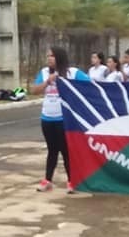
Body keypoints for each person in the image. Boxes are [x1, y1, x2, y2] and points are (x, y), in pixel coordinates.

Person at [31, 46, 89, 193]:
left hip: (64, 118)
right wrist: (47, 82)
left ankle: (72, 181)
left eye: (52, 56)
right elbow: (34, 90)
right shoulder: (44, 73)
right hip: (47, 117)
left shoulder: (72, 72)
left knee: (65, 150)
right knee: (52, 150)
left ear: (60, 58)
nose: (49, 58)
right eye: (48, 56)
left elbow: (90, 85)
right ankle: (48, 180)